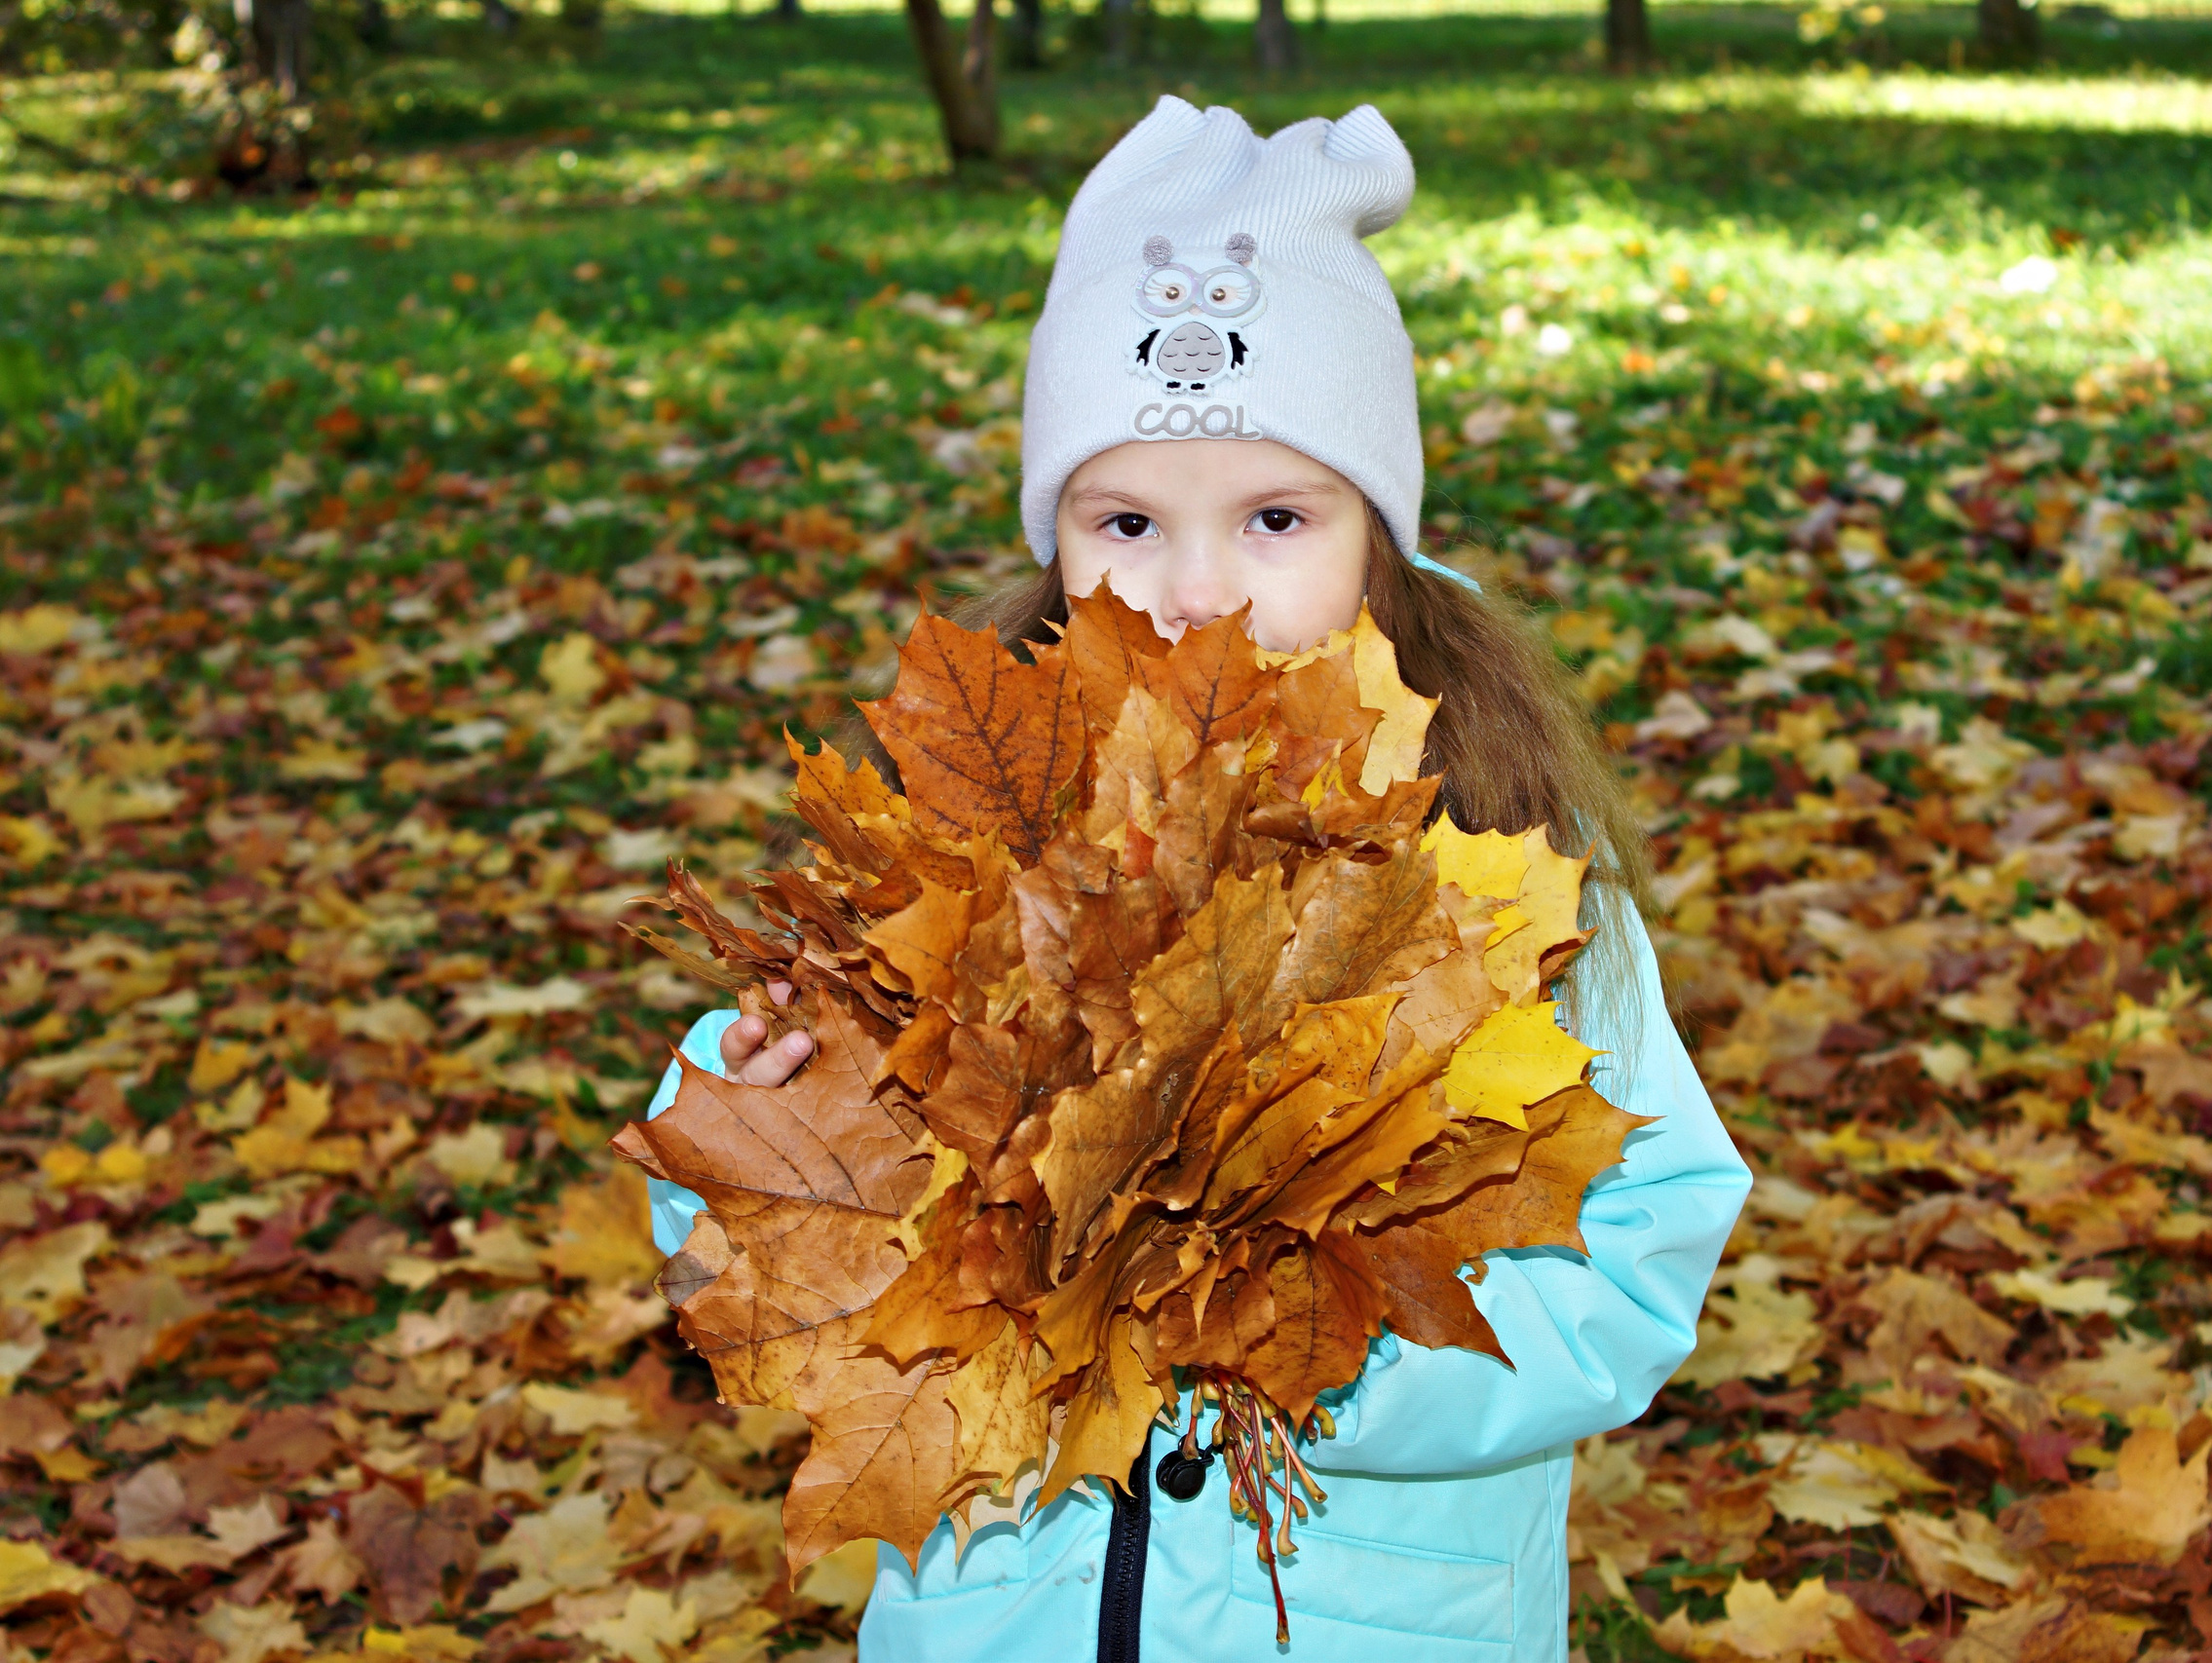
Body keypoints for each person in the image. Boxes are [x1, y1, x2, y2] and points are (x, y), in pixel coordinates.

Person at [639, 96, 1751, 1663]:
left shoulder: (1515, 883)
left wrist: (1326, 1349)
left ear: (1383, 544)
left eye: (1278, 518)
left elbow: (1637, 1259)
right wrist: (756, 1114)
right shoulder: (977, 840)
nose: (1199, 585)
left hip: (1367, 1622)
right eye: (1129, 521)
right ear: (1057, 545)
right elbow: (748, 1201)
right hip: (1002, 1618)